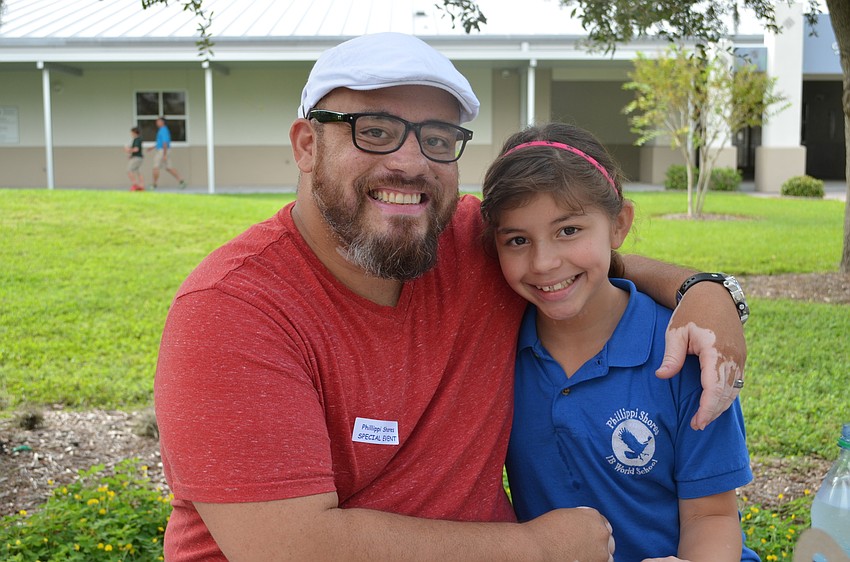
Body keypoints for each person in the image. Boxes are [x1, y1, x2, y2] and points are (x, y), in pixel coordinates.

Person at [154, 32, 748, 561]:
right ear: (307, 144)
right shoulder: (232, 311)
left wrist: (704, 291)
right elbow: (289, 548)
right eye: (376, 131)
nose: (410, 163)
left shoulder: (468, 242)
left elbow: (578, 258)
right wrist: (536, 548)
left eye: (437, 138)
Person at [480, 123, 757, 561]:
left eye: (568, 230)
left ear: (618, 225)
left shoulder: (681, 352)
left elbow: (713, 517)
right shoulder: (495, 345)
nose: (544, 262)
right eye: (517, 240)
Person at [148, 117, 186, 189]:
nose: (156, 122)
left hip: (162, 151)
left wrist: (164, 155)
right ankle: (181, 181)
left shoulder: (163, 130)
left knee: (155, 167)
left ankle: (154, 184)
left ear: (162, 122)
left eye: (158, 121)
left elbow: (165, 142)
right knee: (169, 168)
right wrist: (152, 147)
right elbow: (161, 142)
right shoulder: (162, 130)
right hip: (164, 150)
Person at [125, 126, 145, 191]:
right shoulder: (139, 139)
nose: (131, 134)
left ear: (134, 133)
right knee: (138, 171)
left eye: (131, 133)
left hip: (137, 158)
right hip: (139, 157)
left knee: (129, 170)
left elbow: (136, 149)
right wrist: (131, 155)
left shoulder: (136, 139)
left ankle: (135, 185)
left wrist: (128, 150)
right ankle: (141, 186)